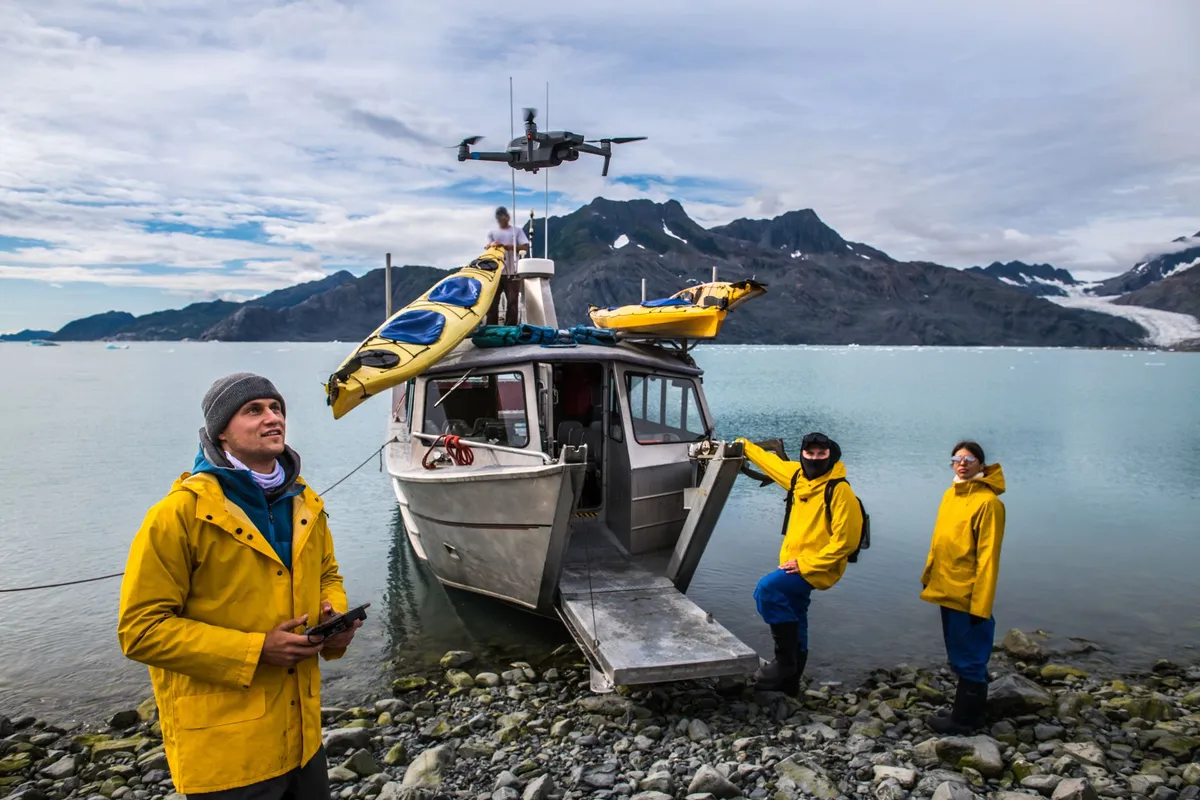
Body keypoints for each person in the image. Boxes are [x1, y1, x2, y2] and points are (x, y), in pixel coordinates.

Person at [118, 373, 362, 799]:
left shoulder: (305, 501)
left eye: (276, 408)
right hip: (227, 754)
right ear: (222, 434)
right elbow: (141, 631)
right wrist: (256, 651)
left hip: (303, 744)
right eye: (254, 410)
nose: (273, 418)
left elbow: (328, 574)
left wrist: (333, 619)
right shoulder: (178, 515)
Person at [735, 432, 864, 695]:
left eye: (821, 454)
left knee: (767, 590)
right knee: (796, 613)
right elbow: (769, 462)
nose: (815, 458)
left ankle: (784, 663)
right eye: (810, 453)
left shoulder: (840, 491)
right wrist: (743, 445)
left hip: (817, 566)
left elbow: (846, 543)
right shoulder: (796, 477)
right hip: (792, 562)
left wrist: (807, 565)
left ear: (831, 456)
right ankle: (791, 683)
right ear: (803, 454)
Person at [921, 440, 1006, 734]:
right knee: (958, 652)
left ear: (981, 465)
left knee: (970, 656)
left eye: (970, 459)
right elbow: (940, 541)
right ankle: (965, 710)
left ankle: (965, 722)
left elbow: (988, 559)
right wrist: (929, 574)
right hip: (947, 587)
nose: (963, 463)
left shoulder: (989, 504)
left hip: (968, 593)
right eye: (957, 458)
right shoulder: (951, 495)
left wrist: (981, 607)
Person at [485, 205, 530, 326]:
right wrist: (492, 245)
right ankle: (491, 326)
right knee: (492, 301)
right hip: (497, 273)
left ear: (508, 217)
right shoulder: (492, 233)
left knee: (512, 302)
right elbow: (487, 248)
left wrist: (509, 247)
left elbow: (525, 246)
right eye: (500, 219)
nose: (502, 221)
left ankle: (510, 327)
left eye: (503, 218)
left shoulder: (517, 231)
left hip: (512, 271)